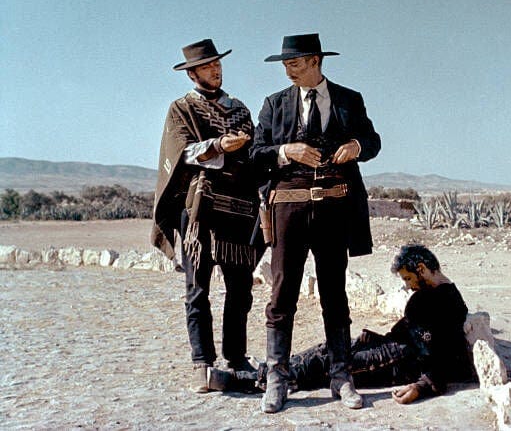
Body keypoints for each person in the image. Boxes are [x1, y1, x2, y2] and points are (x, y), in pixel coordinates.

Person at [250, 33, 381, 412]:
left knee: (334, 294)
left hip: (334, 211)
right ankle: (277, 377)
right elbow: (257, 154)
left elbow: (372, 140)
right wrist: (284, 151)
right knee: (282, 293)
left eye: (294, 63)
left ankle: (341, 377)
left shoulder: (348, 99)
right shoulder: (274, 105)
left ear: (316, 61)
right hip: (287, 211)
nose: (288, 70)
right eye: (286, 65)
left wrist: (357, 147)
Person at [206, 245, 475, 405]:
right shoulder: (429, 295)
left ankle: (240, 380)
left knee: (324, 368)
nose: (406, 286)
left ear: (422, 268)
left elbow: (442, 355)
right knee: (327, 351)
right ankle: (265, 371)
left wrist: (422, 386)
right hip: (388, 346)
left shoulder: (446, 302)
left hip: (398, 362)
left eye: (408, 278)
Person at [151, 39, 262, 393]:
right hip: (199, 210)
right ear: (193, 73)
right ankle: (202, 362)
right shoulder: (181, 109)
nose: (216, 70)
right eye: (208, 66)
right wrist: (217, 146)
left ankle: (237, 357)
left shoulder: (240, 109)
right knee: (198, 289)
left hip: (241, 209)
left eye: (218, 64)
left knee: (240, 288)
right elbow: (181, 151)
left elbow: (256, 150)